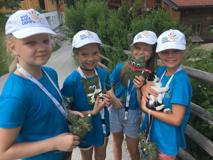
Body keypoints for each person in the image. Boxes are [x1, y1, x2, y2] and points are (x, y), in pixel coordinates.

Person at [0, 9, 81, 160]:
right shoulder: (15, 95)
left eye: (45, 40)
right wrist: (55, 143)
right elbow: (3, 152)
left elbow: (49, 104)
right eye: (30, 42)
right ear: (13, 47)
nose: (42, 48)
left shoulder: (50, 73)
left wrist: (68, 114)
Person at [140, 29, 192, 160]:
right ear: (158, 53)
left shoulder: (181, 81)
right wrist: (144, 87)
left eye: (176, 51)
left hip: (166, 142)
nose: (170, 55)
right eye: (165, 52)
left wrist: (147, 110)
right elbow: (148, 89)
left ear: (184, 51)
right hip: (151, 135)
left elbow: (176, 119)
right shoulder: (160, 71)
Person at [61, 30, 111, 160]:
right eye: (84, 54)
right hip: (85, 127)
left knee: (101, 155)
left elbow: (107, 91)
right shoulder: (71, 81)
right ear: (76, 55)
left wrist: (108, 99)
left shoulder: (103, 74)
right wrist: (91, 112)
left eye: (95, 53)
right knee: (86, 156)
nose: (90, 59)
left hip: (103, 123)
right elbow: (65, 110)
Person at [108, 30, 157, 160]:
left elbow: (144, 106)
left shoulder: (151, 75)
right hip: (116, 109)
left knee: (133, 149)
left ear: (152, 53)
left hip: (134, 113)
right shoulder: (120, 68)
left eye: (146, 49)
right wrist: (112, 98)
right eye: (137, 48)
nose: (140, 52)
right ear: (132, 49)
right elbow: (108, 87)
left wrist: (139, 88)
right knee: (117, 142)